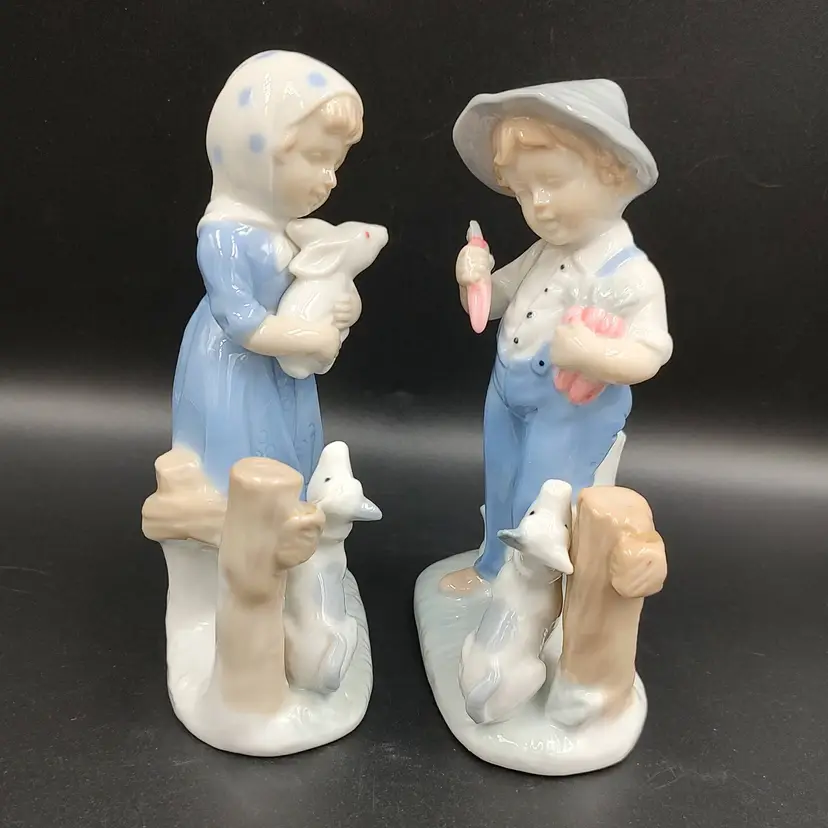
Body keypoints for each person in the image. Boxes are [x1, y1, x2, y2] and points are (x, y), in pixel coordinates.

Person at [441, 80, 673, 593]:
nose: (538, 205)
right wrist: (473, 278)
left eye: (551, 182)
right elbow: (491, 304)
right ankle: (492, 568)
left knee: (543, 496)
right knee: (502, 482)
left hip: (570, 408)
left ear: (613, 174)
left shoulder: (629, 274)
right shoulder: (542, 252)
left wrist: (594, 353)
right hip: (507, 387)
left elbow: (650, 352)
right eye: (524, 192)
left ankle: (535, 598)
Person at [171, 51, 365, 494]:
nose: (331, 179)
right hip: (235, 368)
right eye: (316, 157)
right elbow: (241, 321)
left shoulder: (296, 233)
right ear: (252, 151)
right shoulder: (225, 235)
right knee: (245, 457)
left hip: (283, 368)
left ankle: (289, 523)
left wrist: (343, 310)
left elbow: (315, 288)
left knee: (294, 451)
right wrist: (309, 338)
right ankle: (242, 522)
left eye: (335, 164)